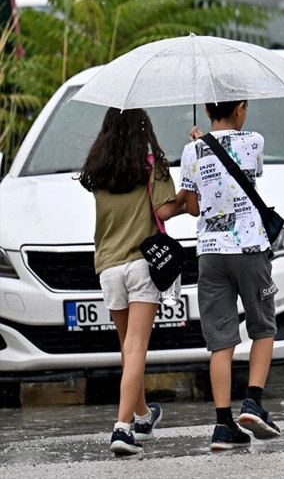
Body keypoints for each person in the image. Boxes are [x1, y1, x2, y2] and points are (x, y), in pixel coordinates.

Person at [78, 108, 188, 455]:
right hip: (141, 263)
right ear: (144, 131)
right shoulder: (150, 165)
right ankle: (122, 429)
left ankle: (142, 416)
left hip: (108, 267)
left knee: (128, 349)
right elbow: (167, 210)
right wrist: (186, 194)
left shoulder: (99, 171)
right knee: (137, 347)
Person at [180, 100, 281, 450]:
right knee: (263, 326)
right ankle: (253, 402)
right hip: (250, 248)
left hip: (209, 253)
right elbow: (247, 177)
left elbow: (193, 207)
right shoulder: (255, 141)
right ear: (240, 109)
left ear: (207, 111)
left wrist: (199, 148)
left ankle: (223, 424)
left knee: (220, 341)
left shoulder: (192, 150)